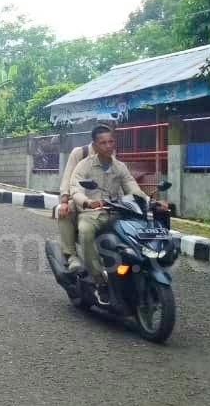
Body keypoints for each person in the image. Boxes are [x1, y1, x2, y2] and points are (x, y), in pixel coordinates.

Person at [70, 125, 170, 304]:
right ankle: (99, 281)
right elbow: (75, 189)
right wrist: (87, 201)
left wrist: (152, 202)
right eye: (103, 143)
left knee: (134, 235)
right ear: (95, 145)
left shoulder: (120, 166)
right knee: (85, 232)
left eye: (111, 141)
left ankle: (131, 271)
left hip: (117, 213)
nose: (108, 146)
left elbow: (133, 188)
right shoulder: (84, 165)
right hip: (92, 213)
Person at [54, 132, 97, 273]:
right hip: (79, 198)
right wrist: (64, 200)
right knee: (67, 210)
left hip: (102, 201)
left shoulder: (111, 156)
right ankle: (71, 256)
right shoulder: (80, 153)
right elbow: (67, 177)